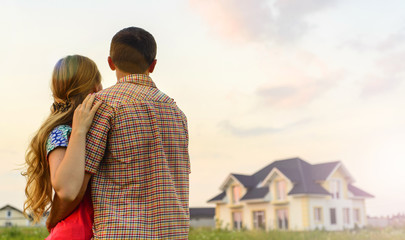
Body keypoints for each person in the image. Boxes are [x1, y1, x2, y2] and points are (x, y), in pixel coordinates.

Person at [46, 27, 190, 239]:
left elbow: (75, 190)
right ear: (153, 65)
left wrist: (52, 220)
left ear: (111, 63)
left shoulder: (103, 106)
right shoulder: (177, 113)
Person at [23, 55, 102, 239]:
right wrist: (79, 131)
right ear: (94, 89)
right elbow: (66, 190)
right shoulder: (63, 133)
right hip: (74, 233)